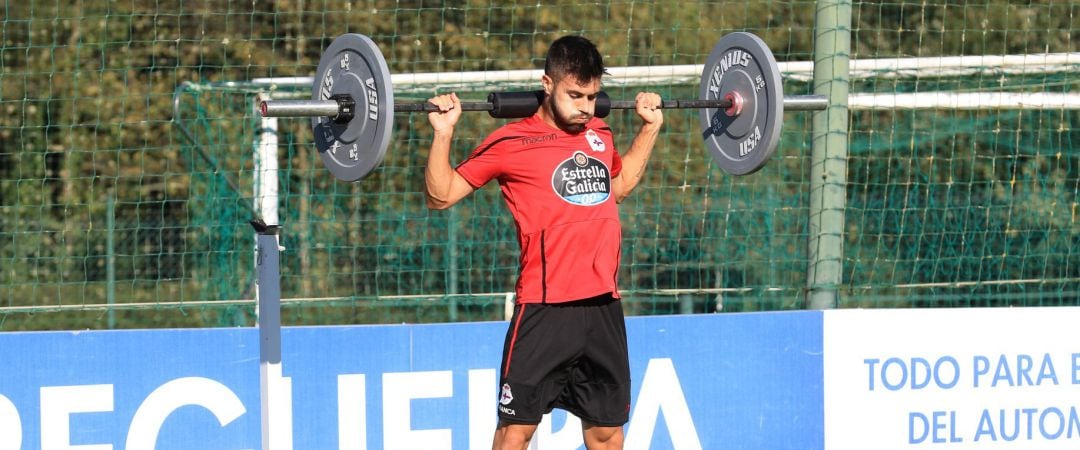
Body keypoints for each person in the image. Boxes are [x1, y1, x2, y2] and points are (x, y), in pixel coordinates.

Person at [424, 35, 663, 450]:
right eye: (575, 95)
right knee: (516, 433)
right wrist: (443, 133)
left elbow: (618, 187)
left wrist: (650, 128)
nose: (586, 107)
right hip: (544, 307)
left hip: (603, 306)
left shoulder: (600, 134)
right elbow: (440, 195)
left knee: (608, 434)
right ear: (547, 84)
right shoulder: (510, 142)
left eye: (592, 96)